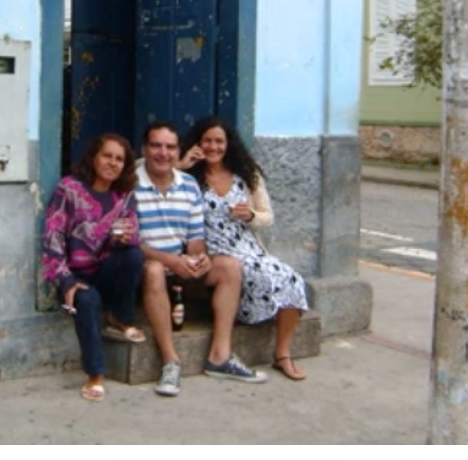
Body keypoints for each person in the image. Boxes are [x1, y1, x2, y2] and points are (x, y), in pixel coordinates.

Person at [135, 121, 263, 397]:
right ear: (144, 149)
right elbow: (130, 242)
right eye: (156, 146)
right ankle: (170, 362)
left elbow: (195, 237)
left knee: (229, 267)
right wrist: (171, 261)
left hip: (179, 269)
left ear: (178, 151)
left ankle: (220, 356)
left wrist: (199, 257)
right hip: (144, 270)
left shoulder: (189, 185)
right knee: (154, 269)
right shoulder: (130, 184)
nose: (163, 153)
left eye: (170, 147)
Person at [179, 116, 309, 381]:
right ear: (197, 143)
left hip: (249, 248)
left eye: (219, 141)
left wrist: (250, 215)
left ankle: (282, 354)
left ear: (229, 144)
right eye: (207, 141)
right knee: (252, 274)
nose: (213, 147)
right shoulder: (188, 176)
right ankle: (225, 348)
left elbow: (267, 216)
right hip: (213, 252)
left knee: (292, 278)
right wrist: (180, 165)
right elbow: (147, 173)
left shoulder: (247, 175)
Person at [41, 133, 146, 402]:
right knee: (87, 300)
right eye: (107, 156)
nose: (112, 163)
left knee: (133, 256)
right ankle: (95, 374)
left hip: (105, 269)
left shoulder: (125, 195)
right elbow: (52, 238)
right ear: (94, 158)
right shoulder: (69, 189)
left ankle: (120, 316)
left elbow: (134, 235)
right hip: (76, 274)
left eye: (119, 159)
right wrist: (65, 281)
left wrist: (122, 239)